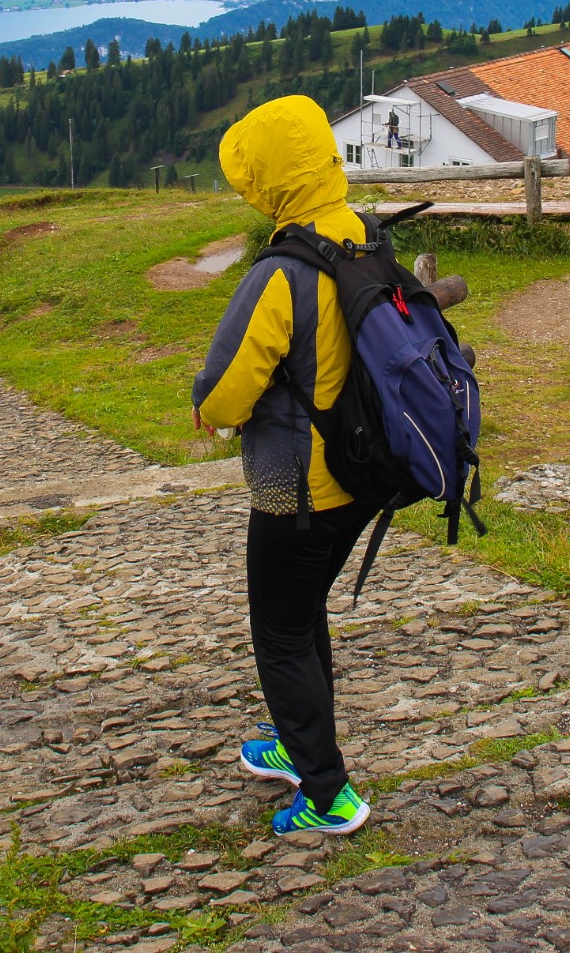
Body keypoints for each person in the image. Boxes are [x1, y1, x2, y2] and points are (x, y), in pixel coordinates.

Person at [193, 95, 374, 837]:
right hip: (363, 474)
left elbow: (229, 386)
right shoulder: (363, 235)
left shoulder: (282, 271)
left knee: (279, 631)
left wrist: (206, 409)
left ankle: (329, 793)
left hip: (295, 489)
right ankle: (302, 745)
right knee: (302, 616)